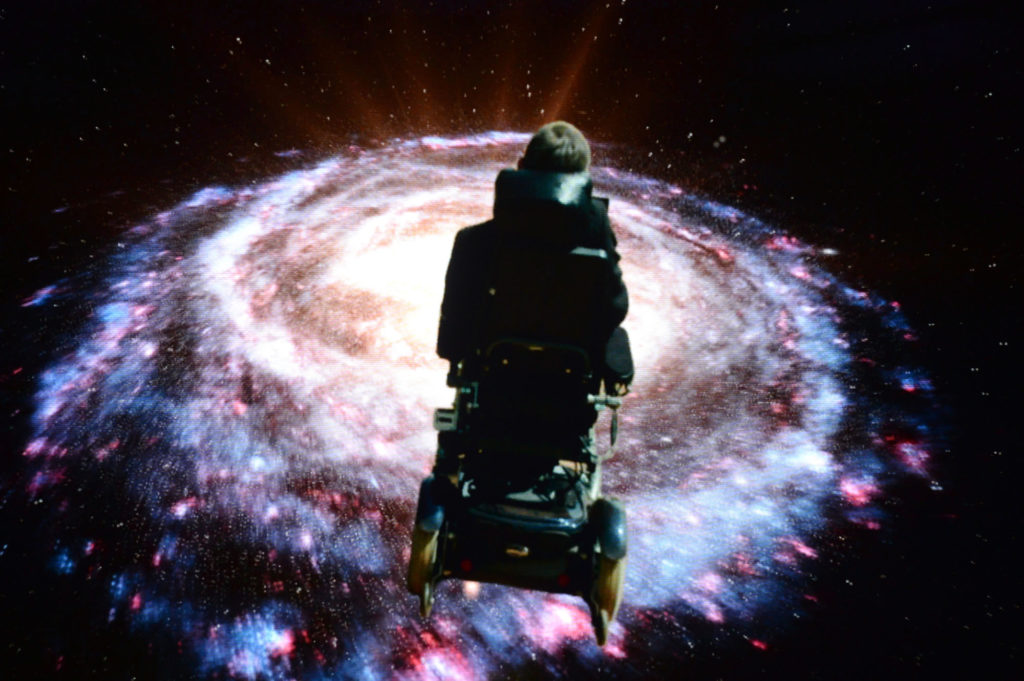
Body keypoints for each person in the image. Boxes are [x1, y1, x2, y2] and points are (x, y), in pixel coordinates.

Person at [436, 121, 632, 396]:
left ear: (521, 167)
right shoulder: (598, 242)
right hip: (570, 384)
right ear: (582, 180)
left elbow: (455, 320)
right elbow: (615, 308)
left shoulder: (473, 242)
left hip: (493, 381)